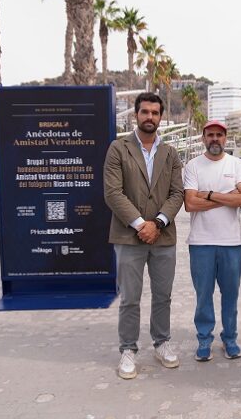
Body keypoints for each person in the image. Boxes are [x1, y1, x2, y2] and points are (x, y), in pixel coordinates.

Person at [103, 92, 185, 380]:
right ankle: (128, 349)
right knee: (130, 298)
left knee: (163, 295)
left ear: (161, 117)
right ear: (135, 115)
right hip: (128, 237)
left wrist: (158, 223)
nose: (150, 117)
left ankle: (161, 343)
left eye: (155, 112)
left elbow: (177, 193)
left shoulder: (171, 153)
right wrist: (141, 224)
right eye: (145, 112)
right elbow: (113, 193)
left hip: (163, 237)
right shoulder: (118, 148)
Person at [183, 120, 241, 361]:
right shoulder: (193, 166)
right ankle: (204, 340)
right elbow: (190, 204)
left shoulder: (237, 164)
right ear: (203, 138)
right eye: (210, 135)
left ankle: (230, 339)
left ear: (225, 138)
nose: (215, 139)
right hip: (201, 242)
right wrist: (227, 197)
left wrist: (209, 195)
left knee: (230, 295)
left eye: (219, 135)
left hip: (232, 242)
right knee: (203, 295)